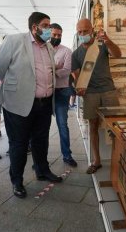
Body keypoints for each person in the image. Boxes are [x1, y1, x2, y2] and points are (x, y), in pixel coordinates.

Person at [0, 12, 62, 199]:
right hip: (19, 103)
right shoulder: (15, 41)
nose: (49, 29)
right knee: (19, 144)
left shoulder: (47, 47)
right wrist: (15, 85)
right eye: (46, 26)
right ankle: (17, 181)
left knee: (41, 140)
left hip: (44, 103)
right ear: (34, 27)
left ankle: (42, 170)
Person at [71, 19, 122, 174]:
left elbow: (118, 55)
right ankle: (97, 161)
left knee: (116, 127)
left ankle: (119, 158)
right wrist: (78, 88)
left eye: (85, 31)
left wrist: (108, 40)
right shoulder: (76, 53)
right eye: (79, 31)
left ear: (92, 29)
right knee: (92, 126)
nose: (82, 34)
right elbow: (77, 76)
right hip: (90, 94)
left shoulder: (102, 44)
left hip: (108, 91)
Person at [50, 23, 77, 167]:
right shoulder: (42, 50)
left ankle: (67, 155)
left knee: (62, 124)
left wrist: (50, 70)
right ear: (49, 33)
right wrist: (55, 68)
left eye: (59, 35)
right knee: (41, 127)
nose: (56, 37)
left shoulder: (66, 51)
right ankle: (40, 160)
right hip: (45, 93)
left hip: (61, 92)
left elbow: (66, 70)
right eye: (54, 34)